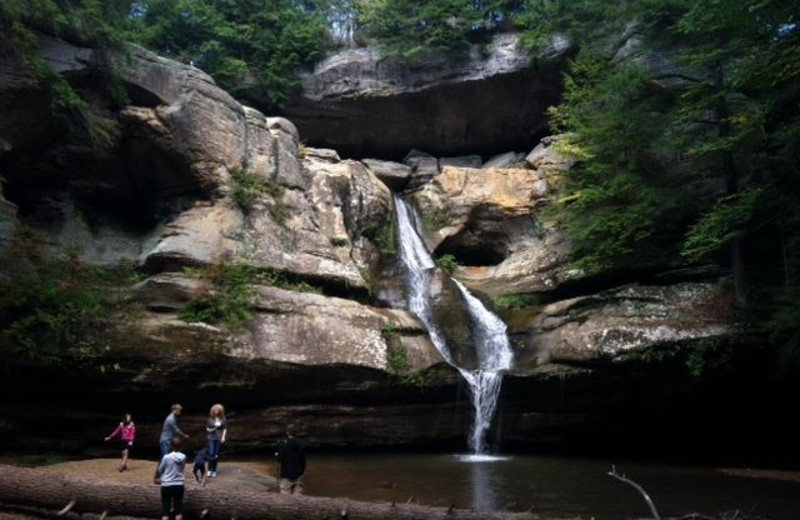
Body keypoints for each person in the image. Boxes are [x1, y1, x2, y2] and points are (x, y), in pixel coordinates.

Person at [154, 437, 186, 520]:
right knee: (178, 507)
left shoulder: (166, 457)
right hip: (179, 484)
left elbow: (160, 470)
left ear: (171, 446)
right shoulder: (184, 457)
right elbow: (182, 468)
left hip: (167, 484)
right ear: (181, 446)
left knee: (166, 508)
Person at [275, 424, 306, 495]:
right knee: (298, 496)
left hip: (286, 473)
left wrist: (277, 455)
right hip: (298, 473)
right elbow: (303, 460)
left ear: (287, 432)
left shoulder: (283, 444)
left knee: (285, 496)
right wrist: (302, 472)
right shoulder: (301, 444)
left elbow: (279, 459)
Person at [205, 403, 227, 478]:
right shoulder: (210, 418)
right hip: (211, 437)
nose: (216, 412)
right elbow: (207, 428)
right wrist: (211, 429)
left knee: (216, 454)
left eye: (218, 410)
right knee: (211, 453)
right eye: (215, 410)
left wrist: (223, 437)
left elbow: (224, 428)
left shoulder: (223, 418)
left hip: (218, 437)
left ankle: (214, 470)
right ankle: (209, 470)